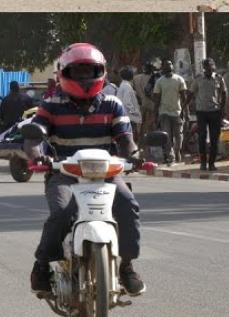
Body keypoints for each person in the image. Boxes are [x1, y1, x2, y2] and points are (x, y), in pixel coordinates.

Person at [26, 43, 144, 298]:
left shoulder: (112, 104)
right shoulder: (51, 103)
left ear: (100, 72)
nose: (84, 78)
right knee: (62, 211)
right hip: (64, 173)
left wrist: (134, 156)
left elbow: (126, 138)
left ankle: (126, 266)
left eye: (90, 71)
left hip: (106, 173)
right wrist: (37, 156)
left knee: (128, 205)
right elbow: (34, 137)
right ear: (63, 73)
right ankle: (42, 265)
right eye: (77, 72)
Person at [192, 58, 227, 170]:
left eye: (211, 66)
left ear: (214, 66)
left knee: (214, 139)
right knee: (201, 138)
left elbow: (224, 93)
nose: (209, 68)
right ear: (204, 67)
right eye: (206, 66)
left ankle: (211, 163)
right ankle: (203, 163)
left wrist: (222, 109)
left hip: (215, 111)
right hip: (201, 112)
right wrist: (185, 108)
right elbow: (191, 93)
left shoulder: (219, 78)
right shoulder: (198, 79)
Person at [151, 58, 189, 163]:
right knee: (166, 135)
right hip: (164, 113)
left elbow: (184, 98)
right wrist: (155, 115)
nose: (168, 66)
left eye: (170, 64)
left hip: (177, 112)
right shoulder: (159, 82)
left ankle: (177, 151)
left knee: (179, 135)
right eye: (166, 65)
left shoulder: (179, 80)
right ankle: (170, 155)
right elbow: (157, 100)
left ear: (172, 66)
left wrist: (186, 112)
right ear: (163, 68)